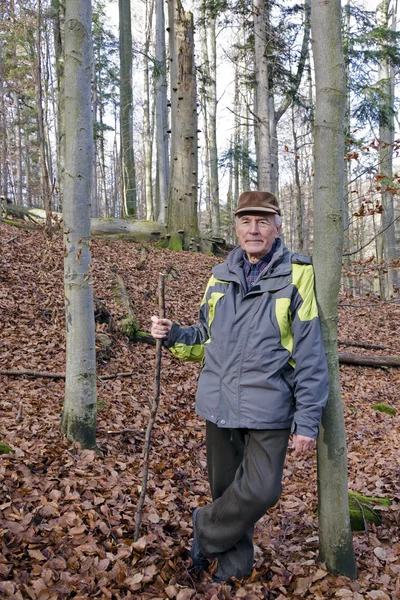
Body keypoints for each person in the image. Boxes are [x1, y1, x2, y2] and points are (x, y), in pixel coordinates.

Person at [151, 191, 329, 584]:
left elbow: (311, 355)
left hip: (270, 405)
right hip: (219, 402)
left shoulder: (298, 274)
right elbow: (206, 335)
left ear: (277, 228)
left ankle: (205, 529)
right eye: (246, 221)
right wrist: (174, 333)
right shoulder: (219, 276)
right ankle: (231, 573)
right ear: (235, 227)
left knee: (261, 491)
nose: (253, 229)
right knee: (227, 491)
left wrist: (307, 421)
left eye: (263, 221)